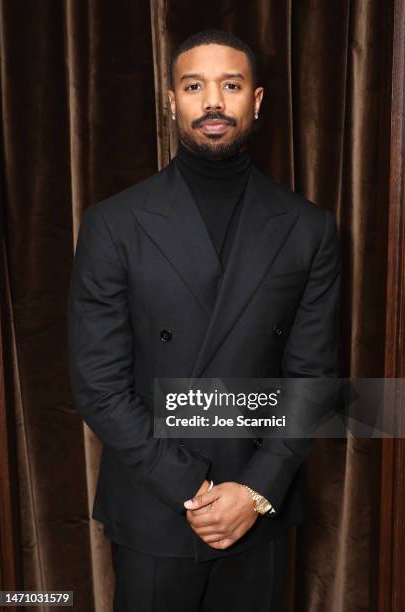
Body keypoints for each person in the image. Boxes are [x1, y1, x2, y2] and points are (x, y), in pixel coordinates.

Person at [67, 28, 341, 612]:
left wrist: (256, 491)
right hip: (155, 509)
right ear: (171, 101)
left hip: (257, 513)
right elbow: (98, 383)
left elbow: (312, 378)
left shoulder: (308, 228)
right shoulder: (114, 225)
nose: (213, 101)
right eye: (194, 86)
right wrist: (191, 488)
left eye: (231, 85)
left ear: (256, 100)